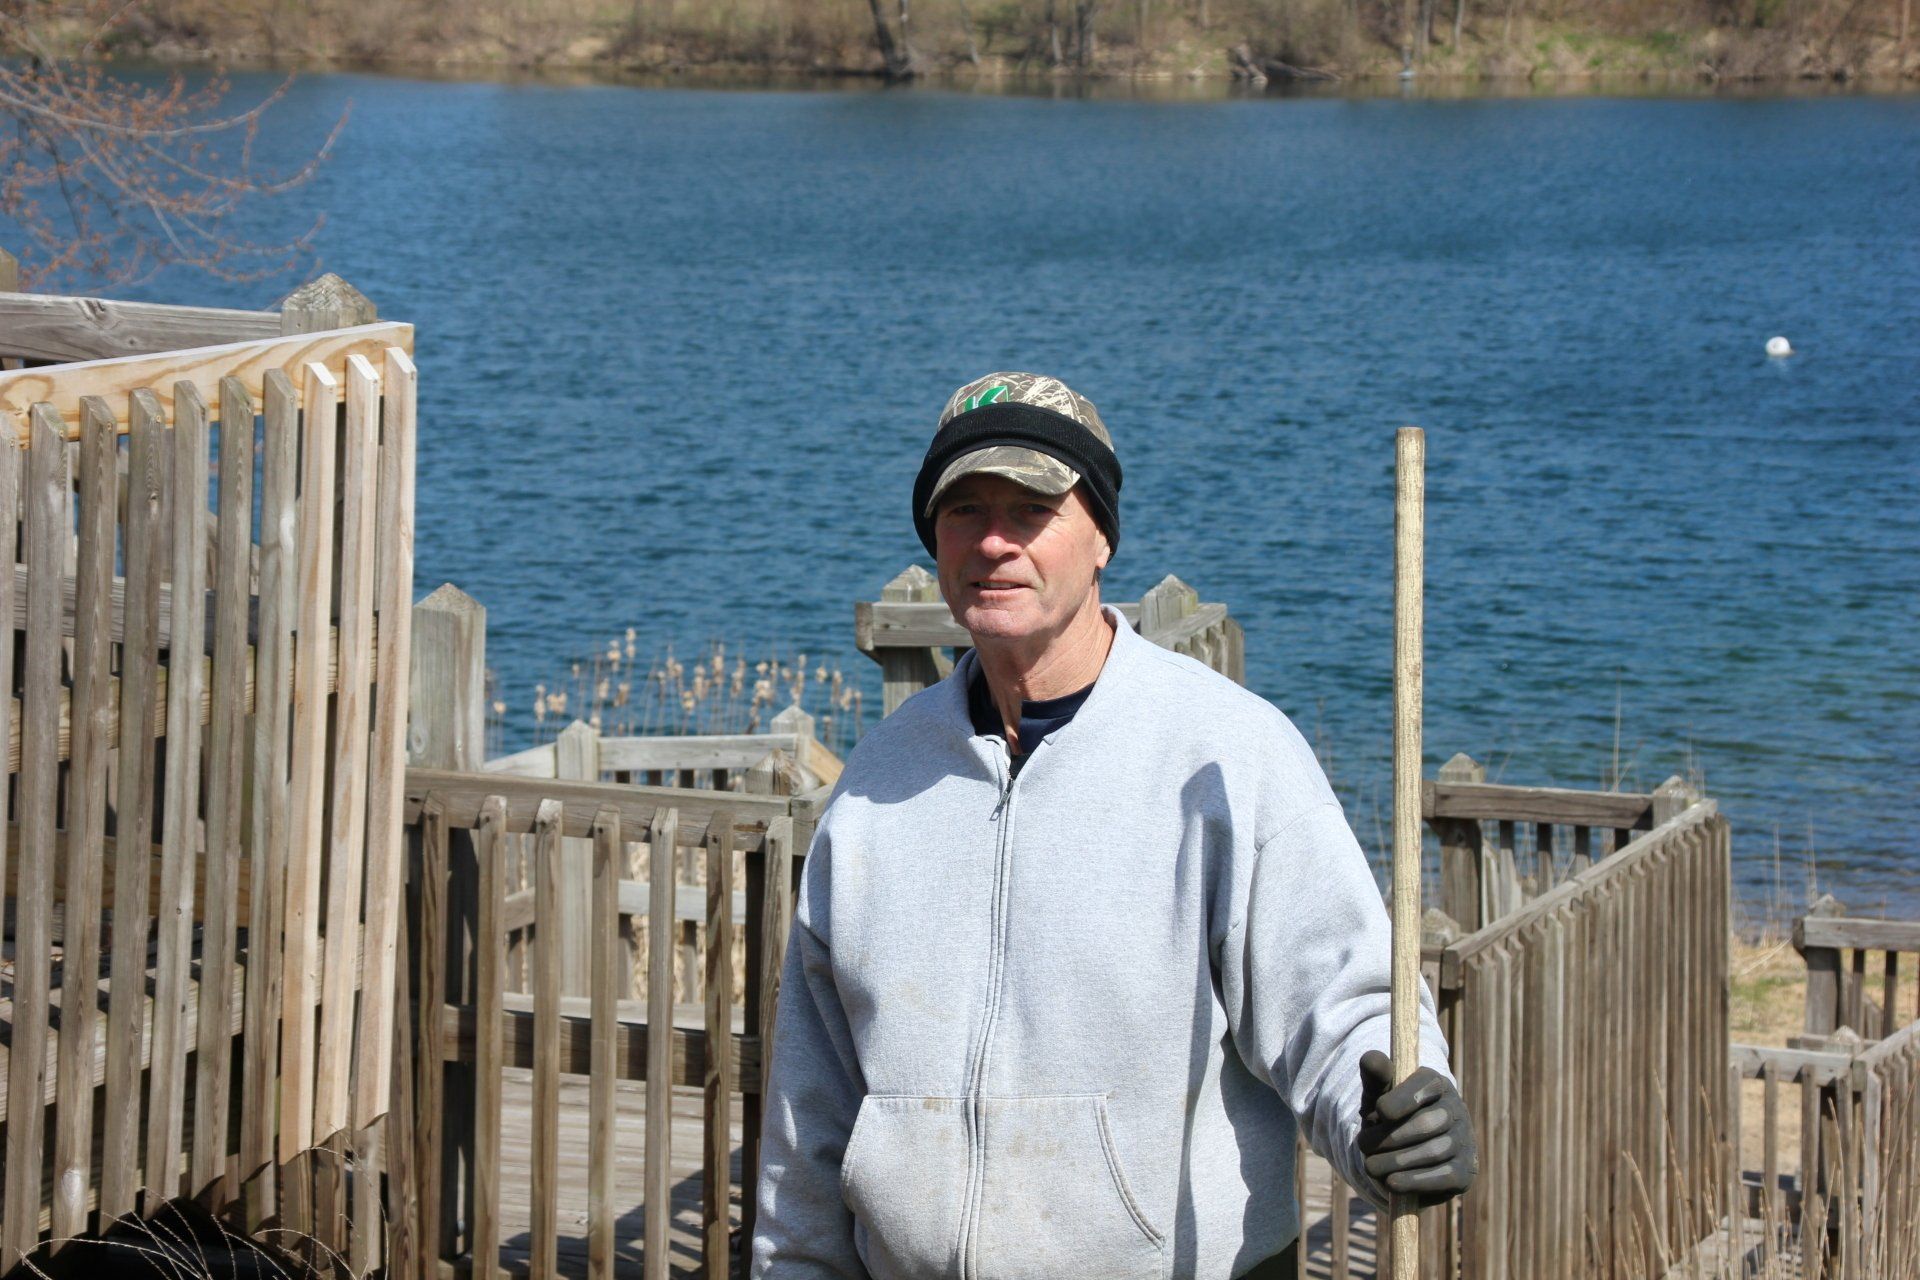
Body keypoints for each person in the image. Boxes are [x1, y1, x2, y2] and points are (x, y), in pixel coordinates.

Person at [751, 372, 1476, 1279]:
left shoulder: (1226, 754)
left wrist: (1397, 1114)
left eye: (1033, 509)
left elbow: (1343, 1006)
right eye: (965, 509)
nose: (995, 541)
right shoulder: (876, 786)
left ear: (1101, 537)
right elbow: (810, 1110)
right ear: (934, 539)